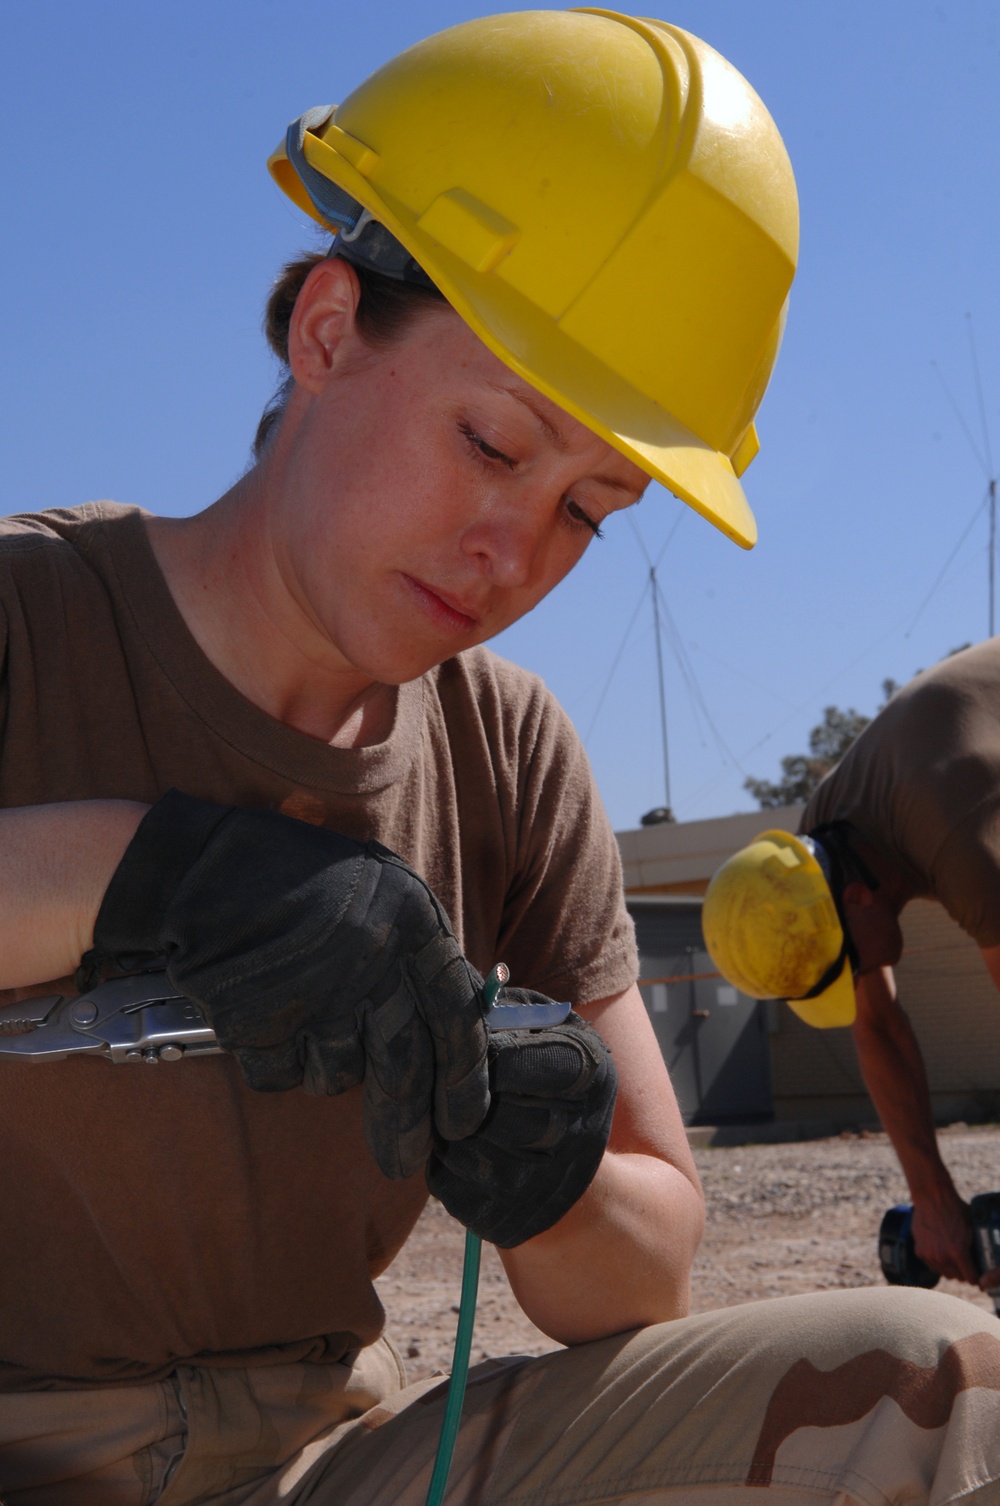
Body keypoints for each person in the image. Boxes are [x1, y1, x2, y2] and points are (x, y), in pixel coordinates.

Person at [1, 10, 999, 1505]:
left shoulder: (510, 749)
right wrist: (159, 872)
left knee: (949, 1382)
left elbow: (647, 1264)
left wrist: (528, 1149)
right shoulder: (32, 618)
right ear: (327, 329)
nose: (516, 552)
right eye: (492, 444)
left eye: (590, 508)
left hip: (330, 1460)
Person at [703, 640, 1000, 1294]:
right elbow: (881, 1026)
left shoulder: (963, 839)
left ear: (859, 899)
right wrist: (932, 1198)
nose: (856, 984)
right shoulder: (816, 860)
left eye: (846, 967)